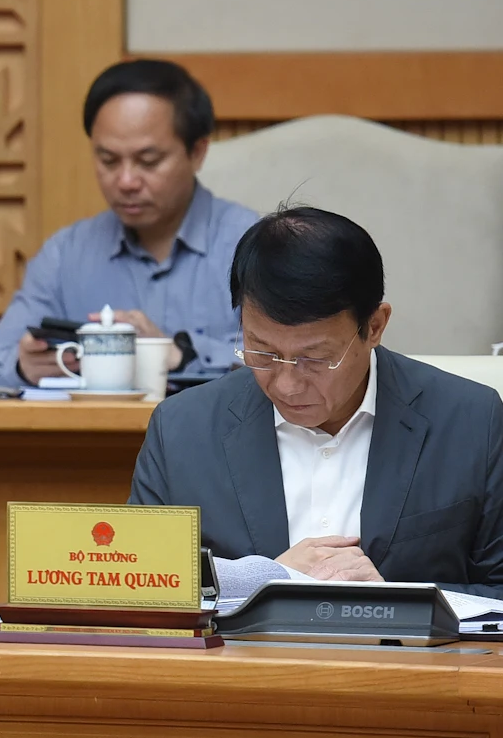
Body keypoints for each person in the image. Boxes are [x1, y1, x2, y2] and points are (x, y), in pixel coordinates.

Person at [130, 207, 503, 597]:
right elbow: (137, 584)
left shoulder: (472, 421)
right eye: (263, 352)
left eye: (316, 359)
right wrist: (260, 579)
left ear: (374, 326)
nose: (287, 386)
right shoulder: (182, 430)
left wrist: (399, 599)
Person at [0, 59, 258, 390]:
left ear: (197, 152)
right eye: (108, 160)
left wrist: (181, 355)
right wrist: (24, 367)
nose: (125, 181)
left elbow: (291, 364)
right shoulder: (66, 254)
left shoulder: (255, 245)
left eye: (148, 161)